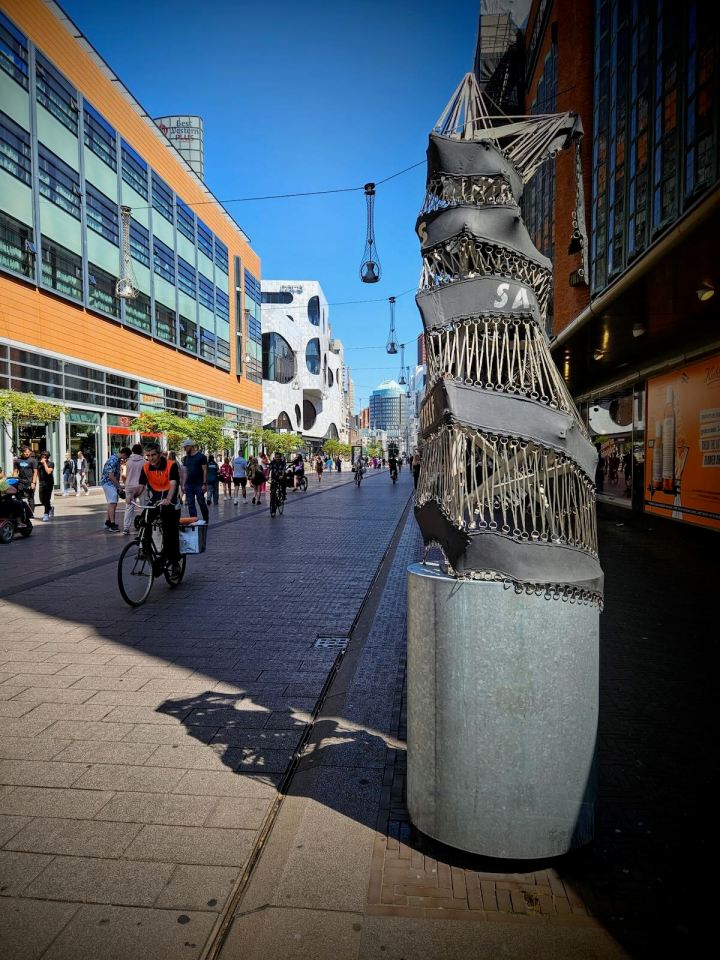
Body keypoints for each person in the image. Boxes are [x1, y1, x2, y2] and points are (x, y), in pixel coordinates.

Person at [135, 442, 181, 569]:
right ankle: (146, 549)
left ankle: (174, 562)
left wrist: (168, 498)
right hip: (155, 501)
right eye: (147, 456)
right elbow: (141, 487)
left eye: (153, 455)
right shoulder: (145, 467)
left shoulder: (171, 465)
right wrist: (131, 495)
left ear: (160, 454)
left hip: (170, 502)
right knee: (143, 520)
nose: (150, 458)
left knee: (170, 531)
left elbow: (173, 484)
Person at [100, 447, 130, 531]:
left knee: (112, 503)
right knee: (112, 502)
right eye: (126, 457)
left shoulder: (116, 460)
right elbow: (111, 476)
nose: (125, 459)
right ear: (124, 454)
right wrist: (119, 486)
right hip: (108, 483)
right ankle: (112, 524)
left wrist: (118, 486)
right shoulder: (113, 460)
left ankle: (108, 522)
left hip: (110, 483)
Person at [181, 439, 209, 523]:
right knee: (190, 504)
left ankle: (205, 519)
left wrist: (204, 484)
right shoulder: (186, 458)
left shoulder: (201, 457)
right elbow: (185, 472)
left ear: (191, 447)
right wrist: (183, 484)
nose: (184, 449)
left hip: (199, 484)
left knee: (201, 503)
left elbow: (205, 470)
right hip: (189, 485)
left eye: (185, 447)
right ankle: (194, 522)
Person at [122, 443, 146, 536]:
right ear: (141, 451)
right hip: (141, 486)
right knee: (144, 506)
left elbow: (124, 475)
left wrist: (126, 483)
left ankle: (126, 527)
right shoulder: (144, 462)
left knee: (129, 507)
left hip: (129, 486)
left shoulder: (128, 462)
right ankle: (145, 524)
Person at [13, 445, 38, 512]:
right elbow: (15, 471)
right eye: (25, 452)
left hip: (30, 481)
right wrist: (14, 480)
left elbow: (35, 472)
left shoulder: (33, 460)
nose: (27, 453)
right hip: (20, 481)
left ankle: (31, 513)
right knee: (18, 496)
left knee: (30, 497)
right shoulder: (17, 460)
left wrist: (33, 482)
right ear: (22, 452)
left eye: (28, 452)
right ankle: (21, 511)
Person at [37, 451, 54, 520]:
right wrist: (38, 481)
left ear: (48, 457)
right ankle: (50, 508)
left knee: (47, 499)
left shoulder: (51, 463)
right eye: (42, 456)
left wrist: (44, 463)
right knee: (42, 499)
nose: (43, 457)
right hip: (42, 482)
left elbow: (48, 472)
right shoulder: (39, 463)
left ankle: (46, 514)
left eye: (45, 456)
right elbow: (37, 472)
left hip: (49, 482)